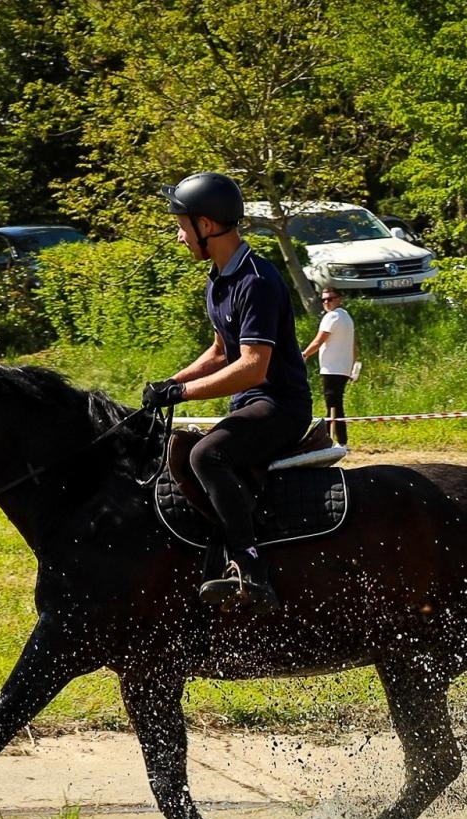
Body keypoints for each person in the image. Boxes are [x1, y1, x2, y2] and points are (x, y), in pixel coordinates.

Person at [142, 172, 313, 610]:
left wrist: (183, 396)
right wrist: (172, 382)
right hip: (252, 403)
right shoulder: (220, 278)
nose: (179, 237)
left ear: (206, 224)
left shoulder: (256, 280)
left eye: (182, 226)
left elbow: (254, 367)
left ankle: (250, 564)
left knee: (206, 454)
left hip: (281, 406)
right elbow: (221, 350)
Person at [300, 288, 357, 446]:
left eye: (330, 299)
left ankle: (338, 442)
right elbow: (354, 347)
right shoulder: (347, 318)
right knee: (335, 405)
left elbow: (319, 341)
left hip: (331, 369)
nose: (326, 302)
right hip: (343, 368)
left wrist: (304, 355)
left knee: (333, 406)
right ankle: (335, 441)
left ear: (339, 299)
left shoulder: (331, 316)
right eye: (323, 299)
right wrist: (352, 366)